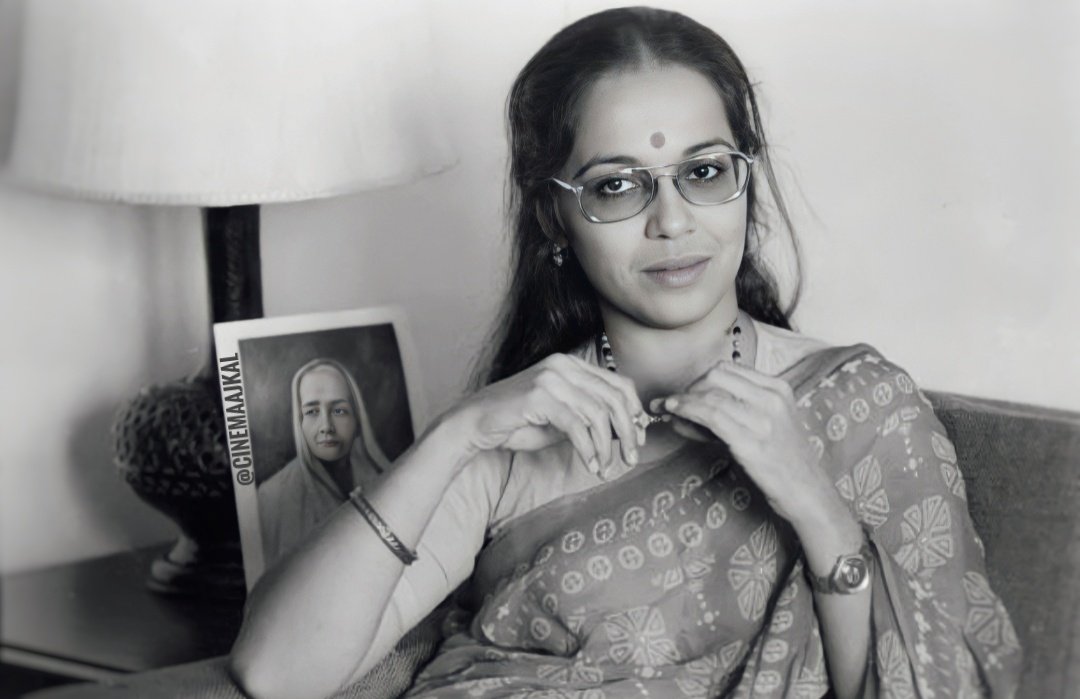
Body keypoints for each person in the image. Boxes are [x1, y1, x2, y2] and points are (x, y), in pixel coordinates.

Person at [229, 8, 1022, 698]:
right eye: (617, 185)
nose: (672, 221)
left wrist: (813, 500)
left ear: (746, 180)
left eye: (704, 172)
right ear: (553, 218)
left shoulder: (862, 403)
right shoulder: (514, 440)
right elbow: (276, 672)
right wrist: (457, 434)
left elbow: (929, 682)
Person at [257, 358, 391, 566]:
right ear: (299, 421)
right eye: (312, 412)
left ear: (357, 418)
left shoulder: (387, 478)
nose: (326, 426)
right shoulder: (271, 498)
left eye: (339, 411)